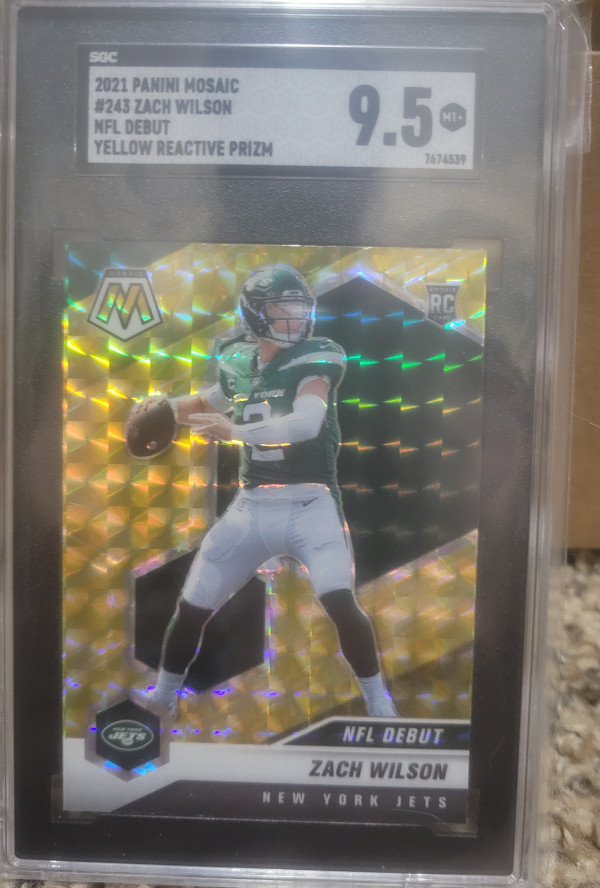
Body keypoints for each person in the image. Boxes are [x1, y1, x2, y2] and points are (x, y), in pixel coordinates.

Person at [147, 263, 397, 720]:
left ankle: (380, 705)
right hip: (253, 506)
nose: (295, 318)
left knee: (340, 601)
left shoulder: (315, 359)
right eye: (283, 308)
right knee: (192, 606)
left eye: (299, 308)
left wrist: (235, 432)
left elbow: (307, 422)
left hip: (310, 503)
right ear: (256, 313)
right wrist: (163, 408)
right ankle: (162, 699)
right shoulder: (239, 362)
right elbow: (205, 402)